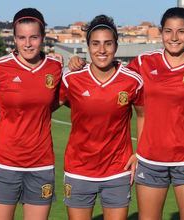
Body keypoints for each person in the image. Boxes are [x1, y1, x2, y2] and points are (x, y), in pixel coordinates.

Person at [69, 7, 184, 220]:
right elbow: (111, 71)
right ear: (161, 32)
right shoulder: (144, 63)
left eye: (181, 31)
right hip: (150, 162)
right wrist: (80, 64)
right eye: (168, 31)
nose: (174, 37)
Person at [60, 15, 144, 220]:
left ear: (116, 45)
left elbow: (143, 115)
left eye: (108, 43)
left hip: (117, 170)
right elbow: (45, 106)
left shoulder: (132, 80)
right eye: (95, 44)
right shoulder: (72, 78)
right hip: (78, 169)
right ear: (87, 46)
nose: (102, 50)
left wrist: (139, 153)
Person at [0, 8, 62, 220]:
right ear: (14, 38)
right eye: (21, 37)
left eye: (34, 37)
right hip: (4, 161)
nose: (27, 43)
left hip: (41, 162)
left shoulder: (55, 67)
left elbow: (61, 98)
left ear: (43, 38)